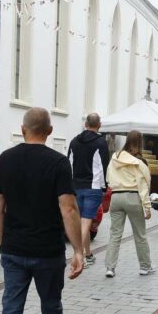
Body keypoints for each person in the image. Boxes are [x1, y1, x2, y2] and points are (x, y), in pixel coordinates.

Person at [0, 107, 84, 314]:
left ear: (22, 129)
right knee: (51, 304)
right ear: (50, 131)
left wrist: (3, 238)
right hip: (47, 250)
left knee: (11, 309)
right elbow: (67, 208)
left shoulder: (5, 160)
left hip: (15, 249)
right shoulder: (57, 163)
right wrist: (79, 250)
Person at [104, 130, 154, 278]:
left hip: (116, 197)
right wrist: (147, 207)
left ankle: (110, 267)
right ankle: (145, 266)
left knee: (115, 234)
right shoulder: (140, 162)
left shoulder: (115, 157)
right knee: (140, 234)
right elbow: (143, 185)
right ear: (140, 142)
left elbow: (108, 177)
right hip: (133, 197)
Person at [67, 113, 109, 267]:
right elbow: (103, 167)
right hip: (93, 187)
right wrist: (104, 188)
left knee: (80, 222)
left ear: (85, 124)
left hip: (75, 187)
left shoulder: (73, 141)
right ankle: (78, 255)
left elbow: (69, 164)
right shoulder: (101, 143)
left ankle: (88, 254)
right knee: (85, 223)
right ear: (99, 125)